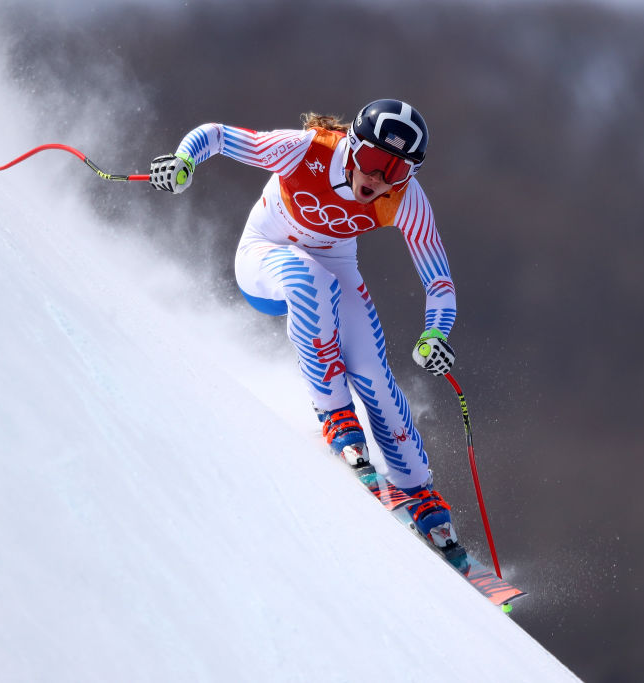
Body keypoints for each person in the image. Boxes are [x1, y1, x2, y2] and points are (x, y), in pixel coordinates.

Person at [149, 99, 459, 548]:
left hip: (335, 266)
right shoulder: (305, 150)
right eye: (372, 160)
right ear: (352, 147)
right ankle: (336, 416)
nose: (377, 179)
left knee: (373, 371)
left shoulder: (404, 197)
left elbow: (440, 282)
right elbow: (215, 135)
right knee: (309, 279)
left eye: (394, 170)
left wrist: (435, 334)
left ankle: (420, 493)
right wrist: (182, 162)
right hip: (264, 256)